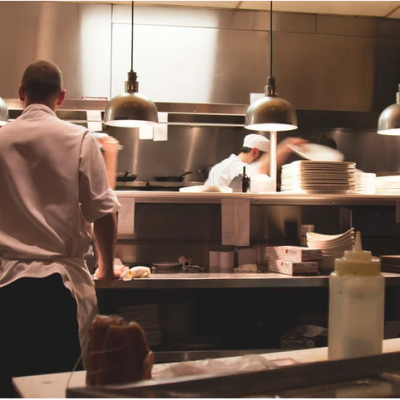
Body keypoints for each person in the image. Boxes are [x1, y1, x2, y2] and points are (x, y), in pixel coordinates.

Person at [0, 60, 126, 397]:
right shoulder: (80, 139)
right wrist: (104, 268)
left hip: (6, 288)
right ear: (62, 97)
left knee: (11, 387)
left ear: (21, 93)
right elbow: (102, 212)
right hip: (59, 292)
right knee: (59, 389)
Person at [204, 133, 307, 187]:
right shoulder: (236, 167)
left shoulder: (220, 166)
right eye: (266, 157)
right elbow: (260, 168)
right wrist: (286, 146)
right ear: (254, 152)